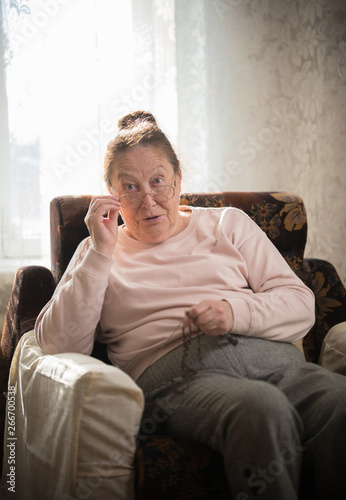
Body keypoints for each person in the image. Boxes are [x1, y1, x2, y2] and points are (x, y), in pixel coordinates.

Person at [35, 110, 346, 500]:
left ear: (179, 180)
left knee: (339, 400)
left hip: (274, 360)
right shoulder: (98, 250)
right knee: (262, 410)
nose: (148, 199)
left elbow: (301, 304)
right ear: (111, 193)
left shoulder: (227, 224)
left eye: (158, 181)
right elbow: (57, 347)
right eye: (129, 187)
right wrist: (99, 253)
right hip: (177, 380)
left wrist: (235, 313)